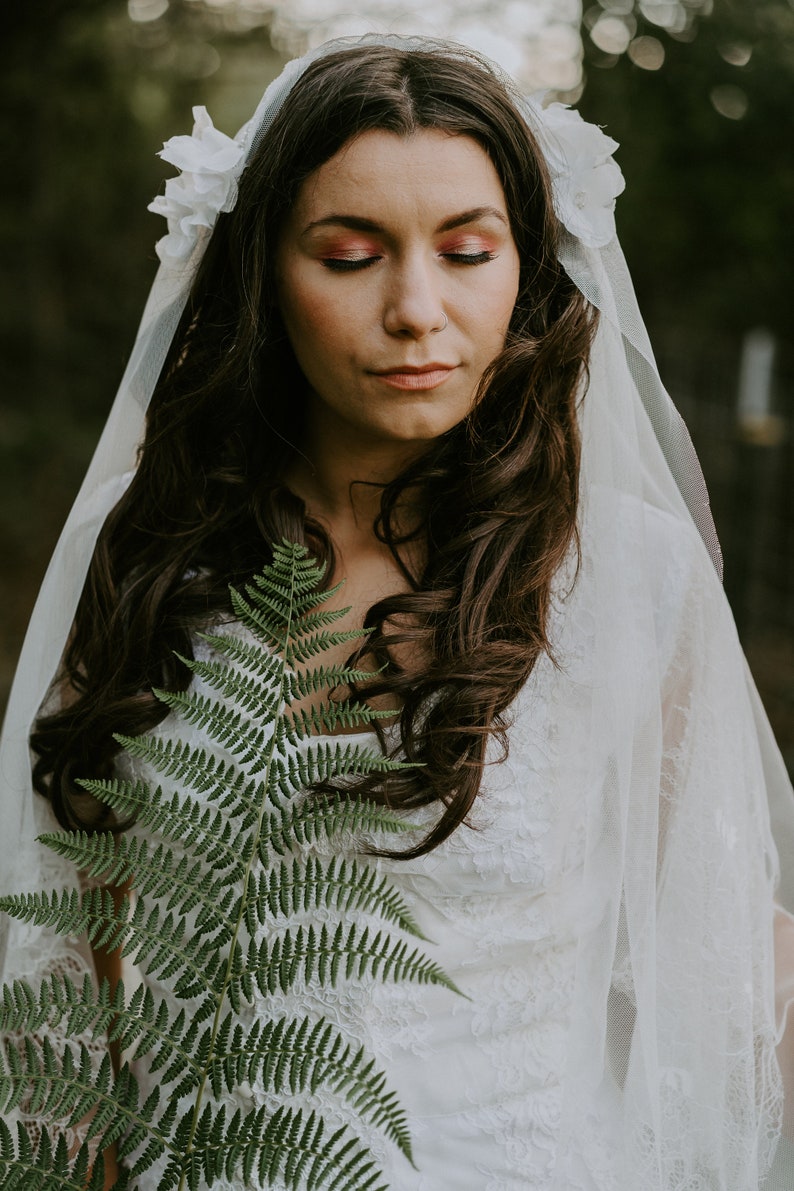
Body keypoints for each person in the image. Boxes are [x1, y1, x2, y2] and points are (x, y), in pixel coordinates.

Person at [1, 33, 794, 1190]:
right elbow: (65, 974)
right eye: (349, 253)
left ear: (528, 265)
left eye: (466, 251)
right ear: (264, 272)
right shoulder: (147, 558)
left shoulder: (629, 577)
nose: (415, 309)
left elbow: (726, 961)